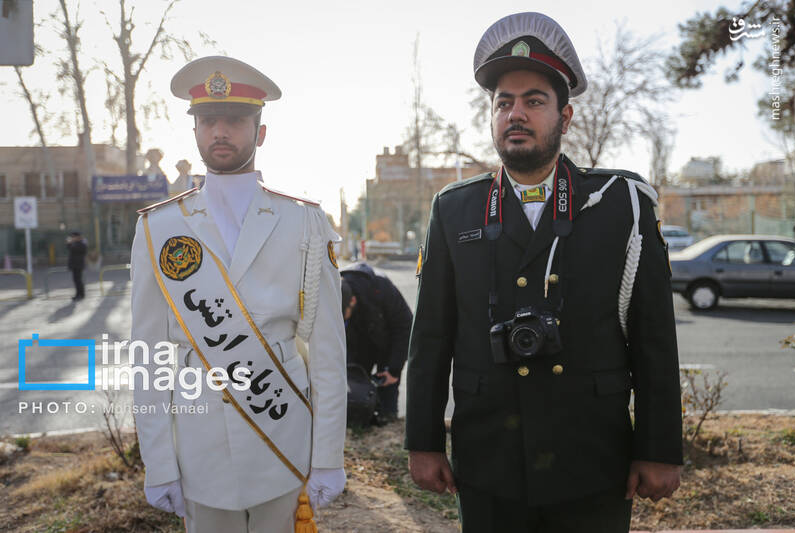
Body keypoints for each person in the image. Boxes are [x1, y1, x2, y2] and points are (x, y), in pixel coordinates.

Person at [405, 13, 683, 533]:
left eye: (534, 100)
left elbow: (654, 339)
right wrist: (423, 441)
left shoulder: (620, 204)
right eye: (503, 102)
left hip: (591, 460)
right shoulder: (455, 209)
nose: (516, 113)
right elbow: (432, 336)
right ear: (490, 116)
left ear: (566, 116)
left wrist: (660, 448)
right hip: (490, 462)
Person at [130, 56, 347, 533]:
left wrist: (328, 456)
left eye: (235, 120)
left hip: (283, 440)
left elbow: (329, 351)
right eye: (208, 121)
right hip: (198, 454)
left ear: (261, 132)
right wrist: (159, 461)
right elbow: (148, 359)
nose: (220, 132)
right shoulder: (158, 228)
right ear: (195, 132)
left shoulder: (305, 221)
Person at [340, 262, 412, 422]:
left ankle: (388, 417)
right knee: (353, 390)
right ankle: (358, 421)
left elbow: (405, 327)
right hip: (357, 341)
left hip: (388, 340)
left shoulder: (381, 289)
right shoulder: (334, 288)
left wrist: (393, 369)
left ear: (352, 301)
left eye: (344, 315)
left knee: (387, 391)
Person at [66, 231, 87, 300]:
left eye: (73, 237)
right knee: (76, 280)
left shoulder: (81, 244)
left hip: (78, 265)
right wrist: (69, 243)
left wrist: (69, 243)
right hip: (75, 265)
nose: (72, 238)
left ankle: (80, 294)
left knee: (78, 281)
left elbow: (73, 249)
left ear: (77, 237)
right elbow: (70, 248)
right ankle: (79, 294)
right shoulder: (76, 243)